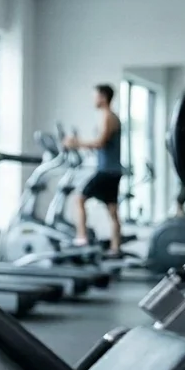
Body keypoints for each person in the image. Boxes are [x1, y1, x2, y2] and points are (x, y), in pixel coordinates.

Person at [63, 84, 124, 255]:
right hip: (112, 170)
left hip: (106, 171)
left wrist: (76, 143)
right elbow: (102, 144)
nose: (93, 99)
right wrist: (84, 145)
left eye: (95, 96)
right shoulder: (108, 117)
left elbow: (100, 142)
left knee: (79, 199)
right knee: (113, 211)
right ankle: (115, 247)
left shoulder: (108, 117)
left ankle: (81, 238)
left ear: (103, 97)